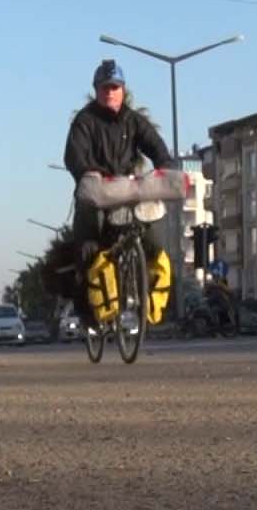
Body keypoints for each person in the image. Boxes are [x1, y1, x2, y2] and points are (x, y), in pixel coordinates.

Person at [63, 58, 176, 324]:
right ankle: (91, 312)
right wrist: (89, 172)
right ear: (96, 90)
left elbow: (157, 148)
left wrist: (166, 169)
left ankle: (148, 300)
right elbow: (74, 155)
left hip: (129, 190)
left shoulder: (134, 121)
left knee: (155, 239)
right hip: (96, 193)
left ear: (123, 90)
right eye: (104, 87)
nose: (110, 92)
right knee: (89, 245)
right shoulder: (85, 121)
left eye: (115, 87)